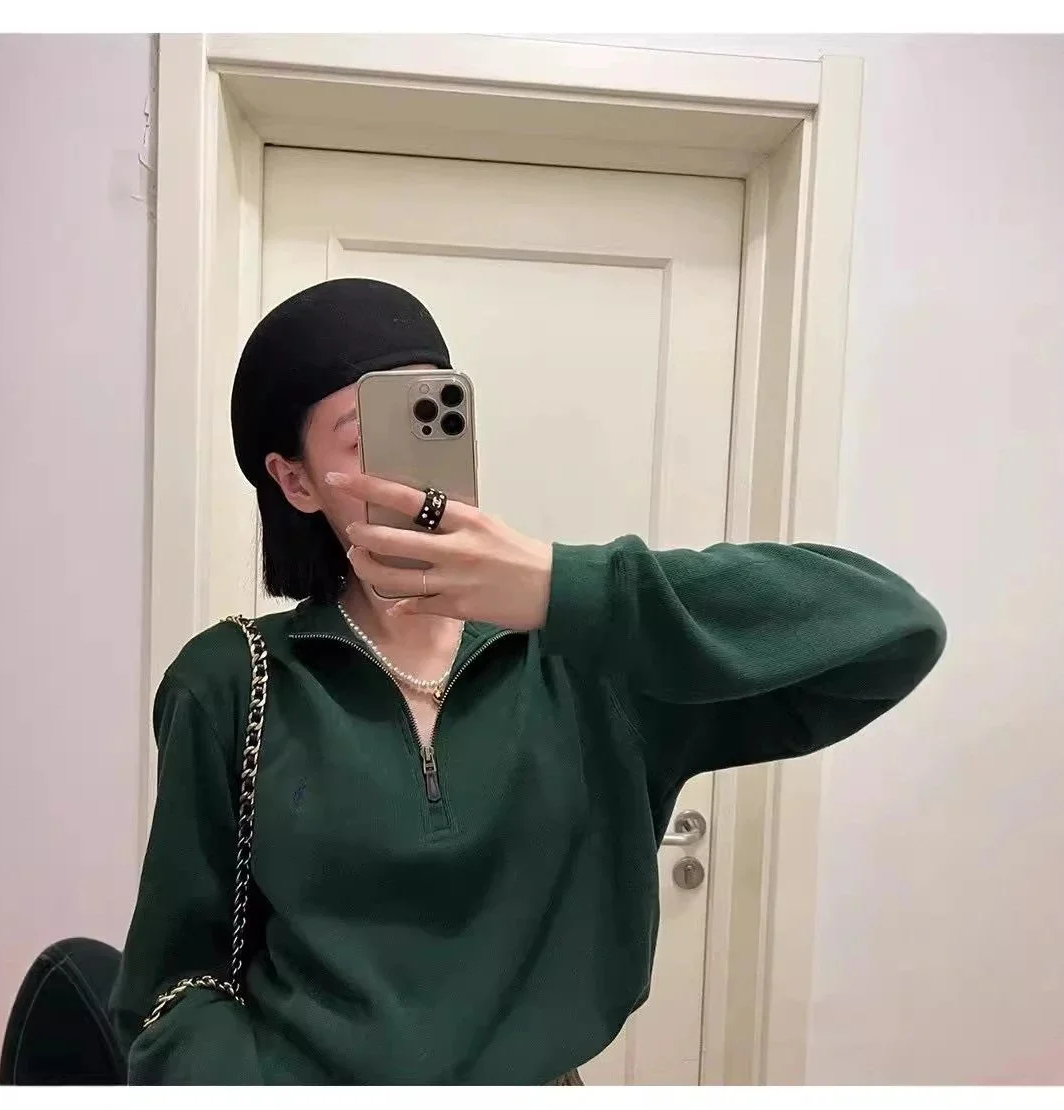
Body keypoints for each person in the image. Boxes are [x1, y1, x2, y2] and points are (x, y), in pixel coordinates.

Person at [110, 278, 946, 1085]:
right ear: (295, 481)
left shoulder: (593, 662)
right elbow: (172, 985)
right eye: (369, 438)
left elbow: (891, 629)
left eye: (433, 417)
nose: (416, 468)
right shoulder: (232, 683)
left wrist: (559, 585)